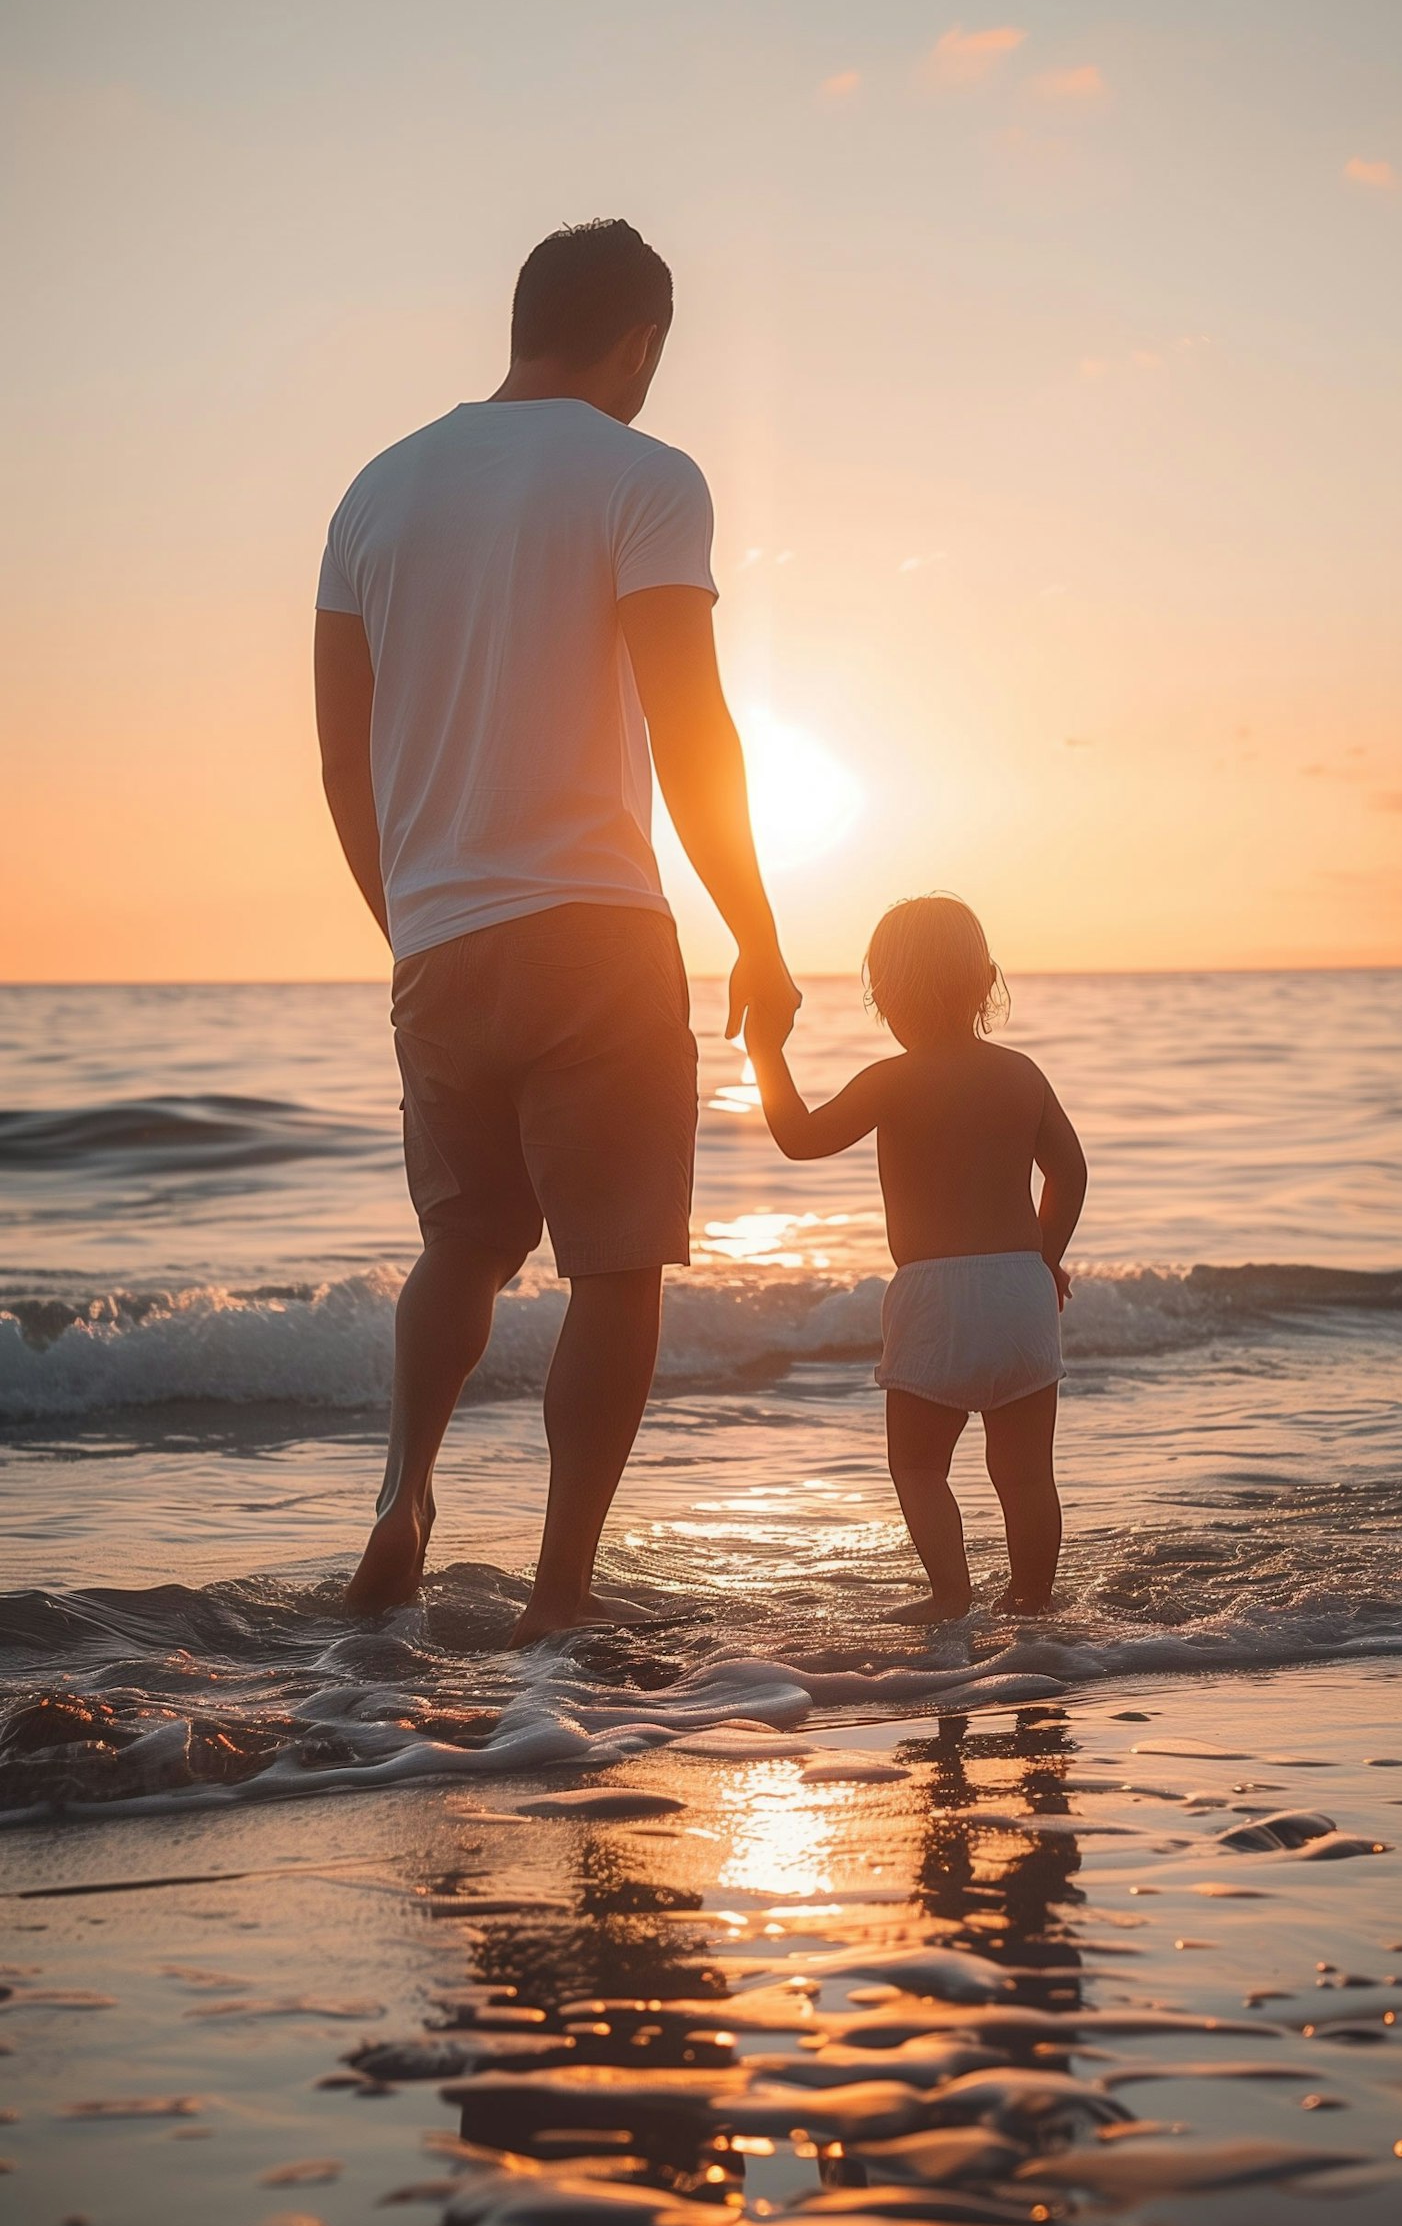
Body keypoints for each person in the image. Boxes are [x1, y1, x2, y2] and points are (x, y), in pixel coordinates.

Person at [315, 220, 799, 1644]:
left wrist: (411, 925)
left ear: (523, 320)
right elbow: (692, 725)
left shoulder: (373, 492)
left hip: (440, 938)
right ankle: (560, 1591)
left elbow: (344, 764)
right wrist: (759, 936)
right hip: (595, 929)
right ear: (640, 341)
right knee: (615, 1265)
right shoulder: (646, 478)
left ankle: (406, 1497)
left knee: (461, 1247)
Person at [746, 894, 1085, 1621]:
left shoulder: (891, 1080)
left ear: (884, 995)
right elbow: (1071, 1173)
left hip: (933, 1296)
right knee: (1026, 1477)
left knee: (919, 1465)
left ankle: (950, 1593)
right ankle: (1031, 1598)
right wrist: (1044, 1257)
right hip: (1020, 1292)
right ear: (986, 978)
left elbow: (801, 1139)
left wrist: (765, 1052)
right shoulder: (1021, 1074)